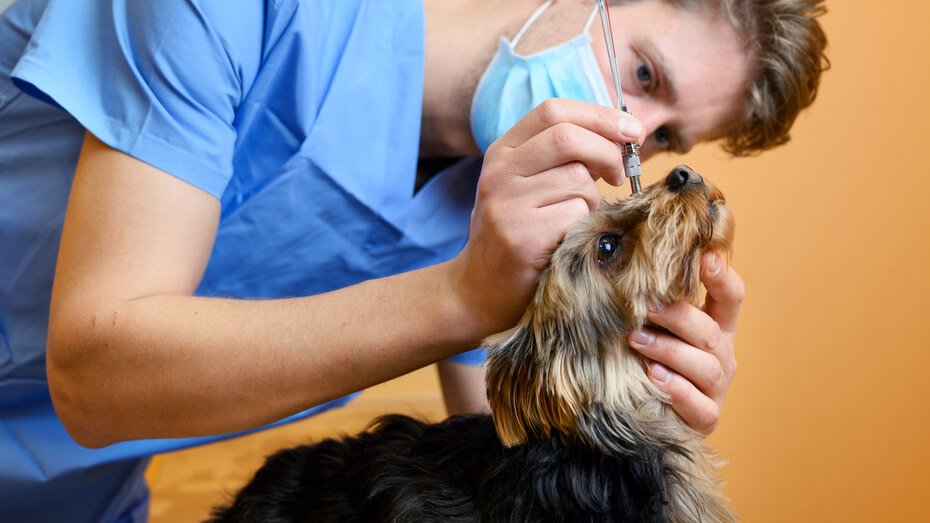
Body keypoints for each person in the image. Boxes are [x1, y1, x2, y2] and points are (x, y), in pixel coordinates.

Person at [0, 0, 827, 520]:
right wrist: (462, 295)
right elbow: (94, 372)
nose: (629, 134)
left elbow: (508, 446)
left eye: (668, 137)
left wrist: (645, 396)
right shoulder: (238, 9)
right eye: (642, 73)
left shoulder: (502, 212)